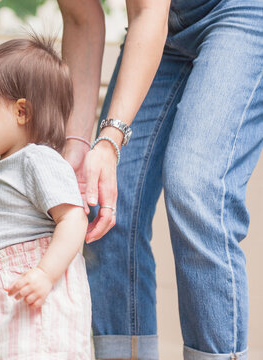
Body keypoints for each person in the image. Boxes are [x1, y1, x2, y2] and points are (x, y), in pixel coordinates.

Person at [57, 0, 263, 359]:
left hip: (239, 10)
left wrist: (108, 140)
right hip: (158, 26)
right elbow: (81, 19)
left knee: (195, 185)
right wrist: (76, 144)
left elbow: (148, 12)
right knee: (100, 200)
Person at [0, 36, 92, 359]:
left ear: (21, 111)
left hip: (32, 297)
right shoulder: (12, 165)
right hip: (5, 298)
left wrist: (45, 274)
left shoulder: (38, 159)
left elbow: (74, 218)